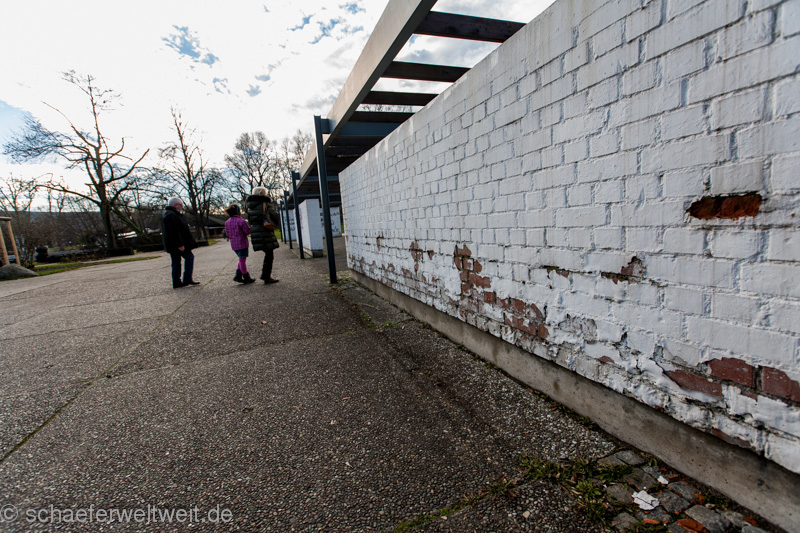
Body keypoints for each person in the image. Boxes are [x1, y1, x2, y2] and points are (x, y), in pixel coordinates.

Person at [161, 197, 200, 289]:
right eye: (181, 205)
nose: (182, 207)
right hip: (178, 244)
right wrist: (180, 244)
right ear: (176, 205)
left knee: (176, 262)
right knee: (189, 258)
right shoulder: (172, 215)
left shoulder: (168, 214)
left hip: (173, 244)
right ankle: (186, 279)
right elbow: (174, 231)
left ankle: (177, 281)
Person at [245, 187, 280, 284]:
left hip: (256, 231)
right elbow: (274, 215)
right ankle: (266, 276)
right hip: (265, 230)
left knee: (268, 254)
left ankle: (265, 275)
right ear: (262, 194)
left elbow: (250, 220)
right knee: (269, 255)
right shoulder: (265, 203)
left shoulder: (250, 206)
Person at [224, 203, 255, 284]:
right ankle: (246, 276)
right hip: (242, 243)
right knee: (242, 261)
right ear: (238, 211)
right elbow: (247, 231)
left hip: (234, 244)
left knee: (241, 259)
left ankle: (238, 275)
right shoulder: (240, 221)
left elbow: (227, 233)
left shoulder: (227, 222)